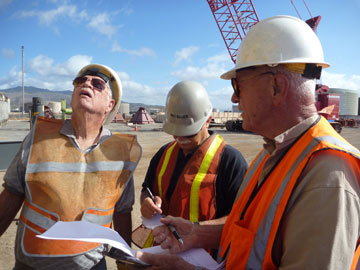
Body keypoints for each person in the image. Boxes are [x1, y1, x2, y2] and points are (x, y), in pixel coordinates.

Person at [134, 15, 360, 270]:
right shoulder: (275, 153)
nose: (233, 97)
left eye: (238, 84)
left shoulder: (328, 176)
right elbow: (251, 228)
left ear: (277, 86)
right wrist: (197, 233)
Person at [0, 64, 141, 270]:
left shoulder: (120, 152)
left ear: (109, 105)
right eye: (80, 81)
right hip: (30, 264)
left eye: (97, 83)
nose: (86, 83)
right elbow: (11, 195)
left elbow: (122, 212)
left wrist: (125, 261)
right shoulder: (39, 137)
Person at [136, 80, 248, 248]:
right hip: (160, 252)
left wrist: (196, 231)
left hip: (204, 260)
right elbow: (147, 189)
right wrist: (146, 202)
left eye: (188, 132)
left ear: (208, 120)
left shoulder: (230, 161)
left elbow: (242, 219)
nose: (180, 138)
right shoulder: (163, 154)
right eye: (175, 132)